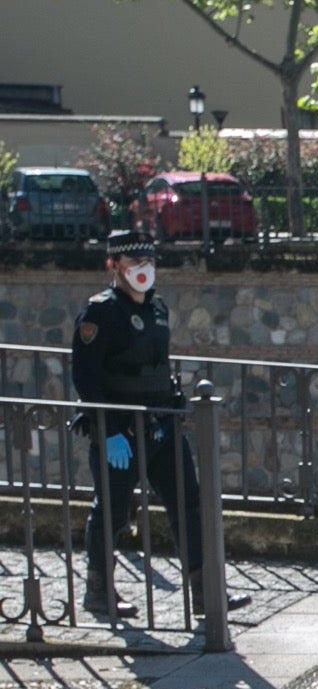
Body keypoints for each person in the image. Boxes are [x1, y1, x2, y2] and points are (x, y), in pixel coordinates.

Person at [70, 229, 250, 621]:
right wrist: (110, 429)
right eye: (135, 263)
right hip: (121, 429)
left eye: (149, 262)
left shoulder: (158, 309)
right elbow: (87, 378)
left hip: (161, 425)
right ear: (114, 265)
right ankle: (98, 592)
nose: (144, 270)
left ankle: (207, 593)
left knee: (188, 505)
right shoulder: (99, 312)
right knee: (112, 511)